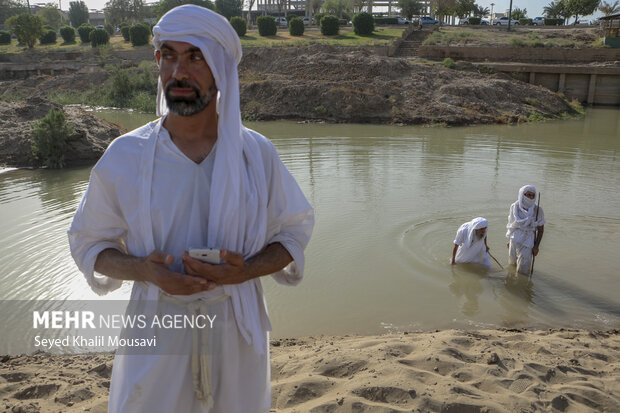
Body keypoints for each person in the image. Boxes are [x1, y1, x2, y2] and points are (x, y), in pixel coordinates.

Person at [68, 5, 314, 412]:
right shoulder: (125, 156)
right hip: (156, 334)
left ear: (221, 68)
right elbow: (89, 244)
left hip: (236, 333)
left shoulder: (257, 155)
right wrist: (145, 271)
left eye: (195, 56)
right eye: (168, 55)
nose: (178, 71)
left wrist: (246, 271)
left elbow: (293, 234)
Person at [506, 185, 544, 275]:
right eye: (528, 195)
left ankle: (521, 286)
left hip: (528, 241)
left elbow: (541, 230)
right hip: (514, 239)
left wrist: (536, 246)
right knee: (512, 265)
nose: (531, 198)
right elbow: (511, 225)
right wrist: (509, 240)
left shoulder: (537, 209)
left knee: (522, 270)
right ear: (522, 195)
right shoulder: (514, 207)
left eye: (533, 195)